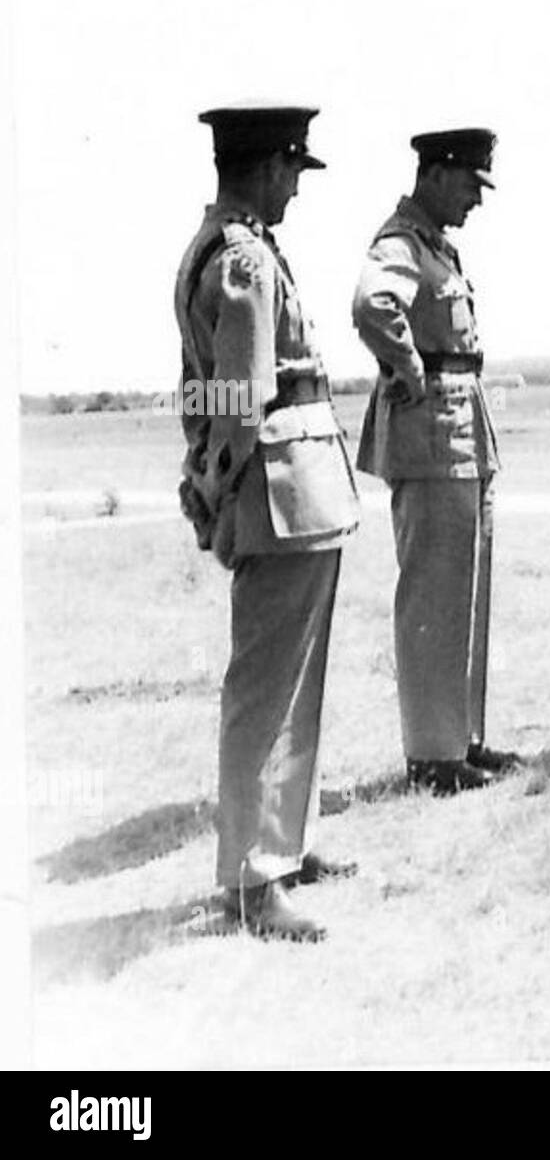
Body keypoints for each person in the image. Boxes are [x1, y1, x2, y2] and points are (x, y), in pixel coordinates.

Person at [175, 103, 361, 941]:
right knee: (267, 686)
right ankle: (253, 879)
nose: (296, 185)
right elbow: (241, 396)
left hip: (293, 487)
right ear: (262, 167)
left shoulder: (223, 246)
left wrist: (207, 470)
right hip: (278, 488)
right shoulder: (243, 257)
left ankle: (284, 843)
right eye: (293, 168)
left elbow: (215, 388)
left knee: (295, 679)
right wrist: (215, 486)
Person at [352, 128, 518, 795]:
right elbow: (372, 305)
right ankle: (430, 755)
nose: (477, 201)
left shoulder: (434, 246)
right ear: (440, 174)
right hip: (429, 430)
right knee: (432, 592)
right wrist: (408, 367)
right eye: (472, 184)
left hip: (459, 424)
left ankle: (460, 741)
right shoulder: (399, 242)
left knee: (464, 589)